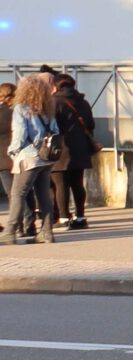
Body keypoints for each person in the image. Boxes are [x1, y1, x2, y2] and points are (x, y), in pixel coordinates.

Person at [8, 74, 61, 245]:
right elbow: (55, 131)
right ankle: (46, 232)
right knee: (43, 195)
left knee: (18, 194)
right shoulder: (48, 108)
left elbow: (20, 135)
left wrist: (13, 151)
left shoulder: (21, 108)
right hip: (46, 158)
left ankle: (9, 231)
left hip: (29, 156)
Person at [48, 69, 94, 230]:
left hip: (60, 148)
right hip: (81, 147)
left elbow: (50, 125)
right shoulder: (83, 102)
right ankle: (80, 217)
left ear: (56, 86)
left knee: (60, 184)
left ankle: (63, 217)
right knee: (77, 183)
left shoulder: (54, 102)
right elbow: (91, 124)